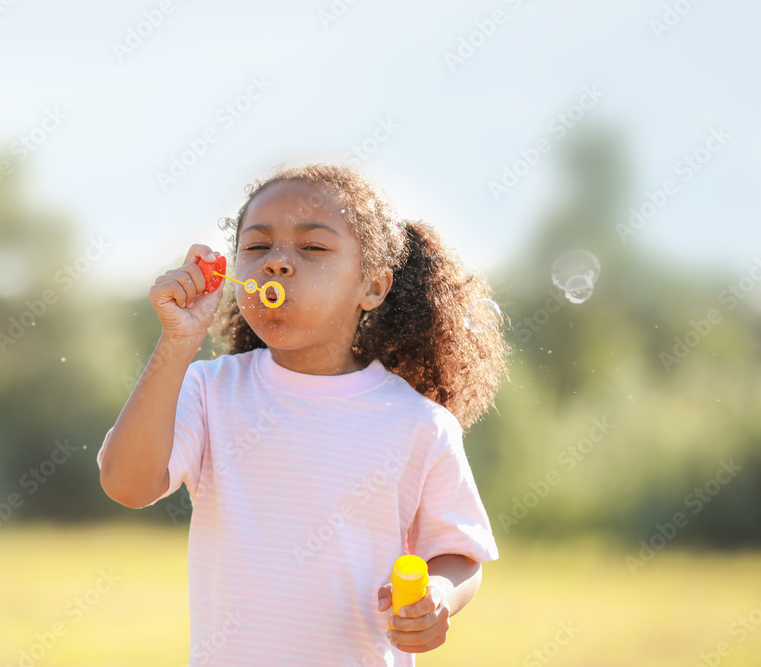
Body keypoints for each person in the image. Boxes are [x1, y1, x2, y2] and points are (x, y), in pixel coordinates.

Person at [98, 163, 509, 665]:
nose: (277, 263)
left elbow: (460, 552)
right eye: (256, 247)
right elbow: (127, 483)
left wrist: (440, 596)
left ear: (373, 288)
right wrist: (178, 342)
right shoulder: (209, 390)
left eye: (312, 247)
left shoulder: (420, 424)